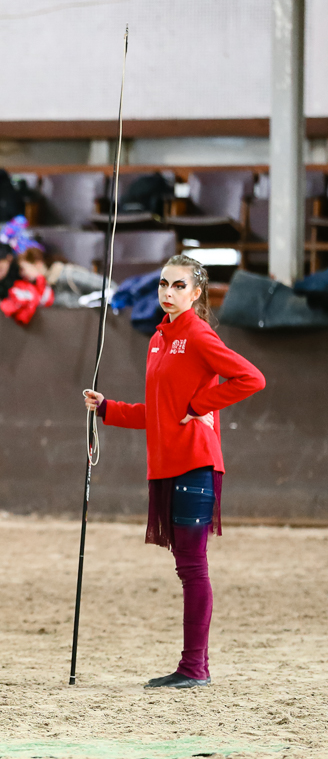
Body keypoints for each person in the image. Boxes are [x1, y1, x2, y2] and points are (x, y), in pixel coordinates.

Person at [83, 255, 265, 689]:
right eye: (163, 284)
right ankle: (193, 666)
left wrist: (200, 405)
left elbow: (251, 378)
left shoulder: (198, 335)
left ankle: (194, 667)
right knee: (187, 567)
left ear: (196, 293)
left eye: (179, 286)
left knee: (193, 567)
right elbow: (159, 411)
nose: (168, 292)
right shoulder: (158, 338)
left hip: (195, 462)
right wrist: (108, 409)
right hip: (167, 464)